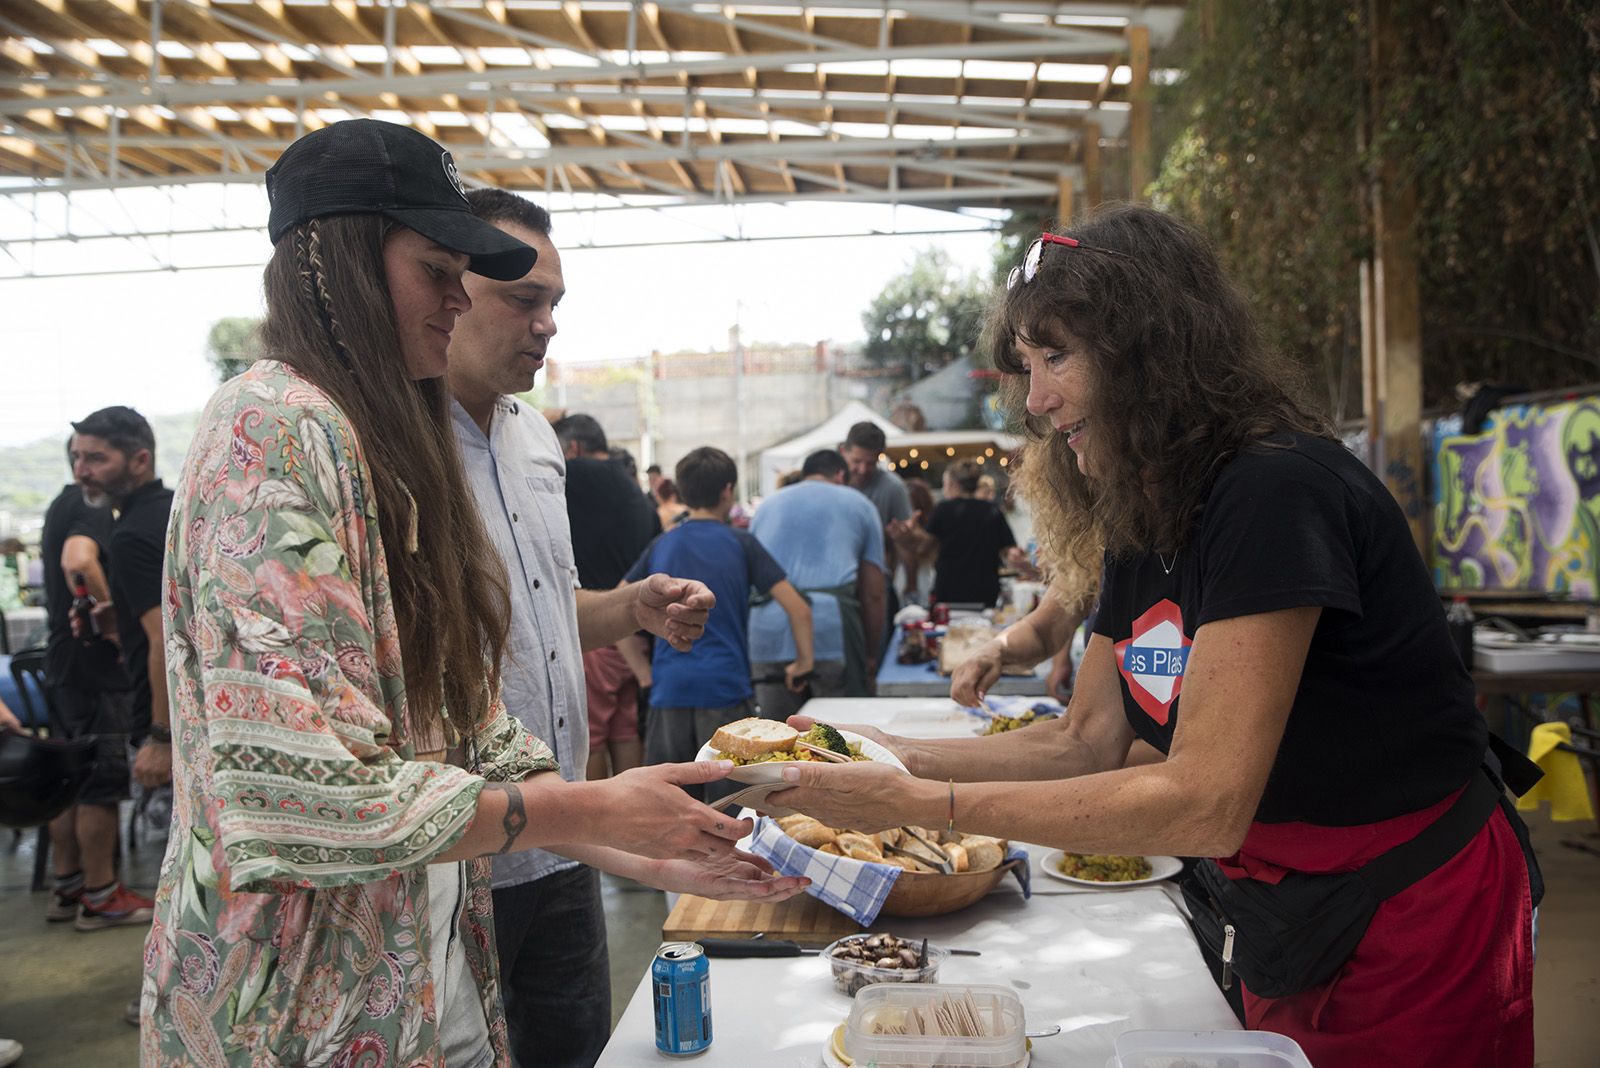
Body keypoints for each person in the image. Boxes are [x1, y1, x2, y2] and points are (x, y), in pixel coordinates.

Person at [770, 205, 1537, 1068]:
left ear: (1149, 349)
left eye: (1057, 357)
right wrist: (893, 756)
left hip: (1415, 914)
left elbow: (1204, 802)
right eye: (1027, 367)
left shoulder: (1274, 492)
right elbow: (1083, 739)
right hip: (1290, 911)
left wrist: (924, 805)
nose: (1037, 400)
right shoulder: (1144, 512)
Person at [140, 119, 803, 1067]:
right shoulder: (272, 428)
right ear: (340, 263)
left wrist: (636, 846)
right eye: (436, 271)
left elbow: (462, 716)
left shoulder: (390, 438)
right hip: (288, 1002)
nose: (457, 300)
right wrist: (593, 813)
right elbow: (302, 793)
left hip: (417, 971)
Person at [446, 187, 739, 1068]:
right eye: (522, 299)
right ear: (445, 287)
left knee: (575, 1048)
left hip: (567, 835)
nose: (546, 325)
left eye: (554, 303)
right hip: (463, 849)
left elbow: (544, 617)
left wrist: (632, 608)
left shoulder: (536, 440)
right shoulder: (390, 447)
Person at [628, 447, 813, 801]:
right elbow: (799, 609)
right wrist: (803, 662)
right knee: (732, 806)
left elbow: (623, 606)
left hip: (669, 690)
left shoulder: (662, 544)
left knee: (667, 804)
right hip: (726, 690)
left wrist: (644, 674)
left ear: (682, 490)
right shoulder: (741, 542)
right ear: (728, 490)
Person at [63, 408, 174, 931]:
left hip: (170, 723)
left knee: (179, 868)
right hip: (202, 714)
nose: (81, 471)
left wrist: (160, 736)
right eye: (77, 458)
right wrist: (119, 615)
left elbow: (164, 639)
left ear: (140, 459)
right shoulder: (171, 511)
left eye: (96, 459)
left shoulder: (130, 534)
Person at [38, 469, 138, 931]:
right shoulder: (88, 503)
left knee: (71, 777)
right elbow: (78, 560)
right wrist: (112, 624)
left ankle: (69, 885)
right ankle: (102, 895)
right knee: (101, 779)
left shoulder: (61, 502)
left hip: (62, 662)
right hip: (93, 666)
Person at [552, 412, 661, 783]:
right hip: (637, 632)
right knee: (624, 729)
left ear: (573, 448)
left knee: (591, 737)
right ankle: (633, 812)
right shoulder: (635, 492)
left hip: (594, 628)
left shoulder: (573, 475)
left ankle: (601, 814)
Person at [748, 448, 886, 718]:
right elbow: (874, 594)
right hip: (830, 630)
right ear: (840, 475)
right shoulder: (860, 504)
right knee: (840, 736)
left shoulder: (766, 506)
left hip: (767, 631)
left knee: (776, 734)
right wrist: (870, 654)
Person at [890, 459, 1025, 608]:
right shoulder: (992, 511)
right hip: (985, 591)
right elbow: (1009, 549)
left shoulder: (943, 509)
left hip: (949, 590)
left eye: (945, 484)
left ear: (953, 484)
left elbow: (924, 546)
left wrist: (911, 534)